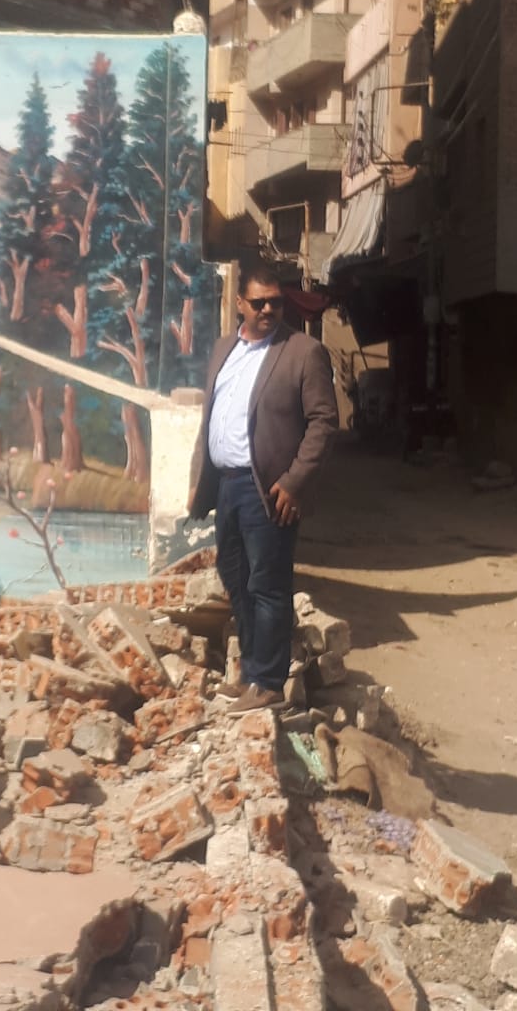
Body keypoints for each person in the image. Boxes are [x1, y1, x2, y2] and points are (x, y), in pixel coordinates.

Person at [187, 257, 339, 715]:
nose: (268, 310)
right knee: (235, 579)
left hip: (269, 490)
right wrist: (198, 480)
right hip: (226, 486)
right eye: (259, 303)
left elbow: (324, 422)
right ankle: (252, 673)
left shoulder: (302, 352)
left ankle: (269, 683)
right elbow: (213, 418)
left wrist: (295, 482)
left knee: (268, 584)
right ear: (240, 303)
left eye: (275, 302)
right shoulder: (223, 350)